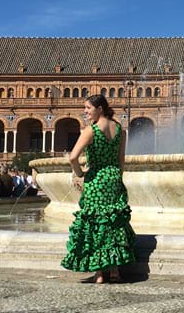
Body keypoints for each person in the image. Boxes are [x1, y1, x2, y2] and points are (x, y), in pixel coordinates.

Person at [61, 94, 136, 284]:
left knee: (95, 223)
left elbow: (72, 157)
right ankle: (115, 270)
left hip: (96, 179)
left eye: (88, 108)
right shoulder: (120, 130)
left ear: (100, 108)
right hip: (113, 179)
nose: (85, 111)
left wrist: (79, 173)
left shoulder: (91, 130)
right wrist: (116, 179)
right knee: (112, 222)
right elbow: (121, 161)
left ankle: (100, 273)